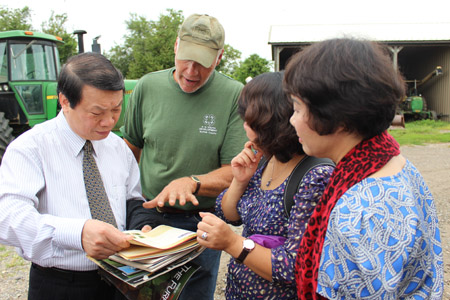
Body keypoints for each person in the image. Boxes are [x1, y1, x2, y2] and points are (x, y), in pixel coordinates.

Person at [283, 38, 444, 299]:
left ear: (335, 116)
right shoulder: (395, 163)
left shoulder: (358, 211)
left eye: (297, 108)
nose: (292, 120)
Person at [0, 52, 147, 300]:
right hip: (61, 284)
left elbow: (132, 199)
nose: (109, 121)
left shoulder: (117, 147)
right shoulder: (30, 148)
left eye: (116, 109)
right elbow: (9, 217)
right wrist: (77, 233)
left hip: (123, 279)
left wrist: (142, 226)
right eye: (97, 112)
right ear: (65, 101)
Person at [122, 14, 248, 300]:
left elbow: (234, 170)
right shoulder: (147, 87)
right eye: (186, 58)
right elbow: (129, 150)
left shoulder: (234, 95)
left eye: (202, 62)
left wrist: (192, 182)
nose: (191, 71)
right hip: (147, 217)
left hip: (199, 225)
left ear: (219, 57)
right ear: (176, 46)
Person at [195, 72, 334, 299]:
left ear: (268, 121)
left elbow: (295, 267)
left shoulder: (315, 177)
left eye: (249, 119)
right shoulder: (266, 158)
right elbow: (229, 214)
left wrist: (232, 242)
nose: (244, 125)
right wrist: (240, 181)